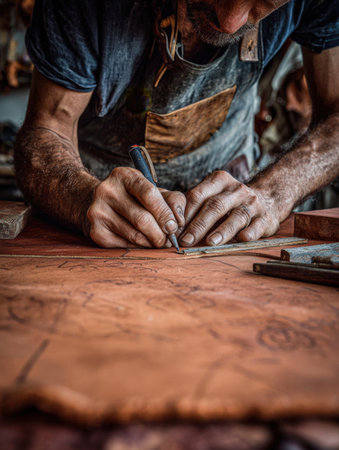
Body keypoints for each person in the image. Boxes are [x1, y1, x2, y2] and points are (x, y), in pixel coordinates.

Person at [14, 0, 339, 248]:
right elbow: (46, 129)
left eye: (262, 5)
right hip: (100, 215)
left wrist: (273, 193)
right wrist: (81, 197)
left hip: (230, 215)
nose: (229, 24)